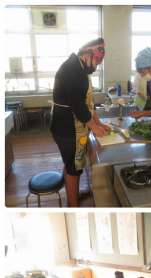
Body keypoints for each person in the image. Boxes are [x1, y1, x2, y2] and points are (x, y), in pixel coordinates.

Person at [50, 38, 110, 207]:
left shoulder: (80, 68)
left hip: (70, 125)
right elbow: (78, 105)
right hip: (66, 128)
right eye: (96, 61)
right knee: (73, 169)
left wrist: (98, 123)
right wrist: (94, 127)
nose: (96, 66)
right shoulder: (72, 70)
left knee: (72, 164)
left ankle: (73, 195)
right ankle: (73, 205)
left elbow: (87, 103)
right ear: (87, 53)